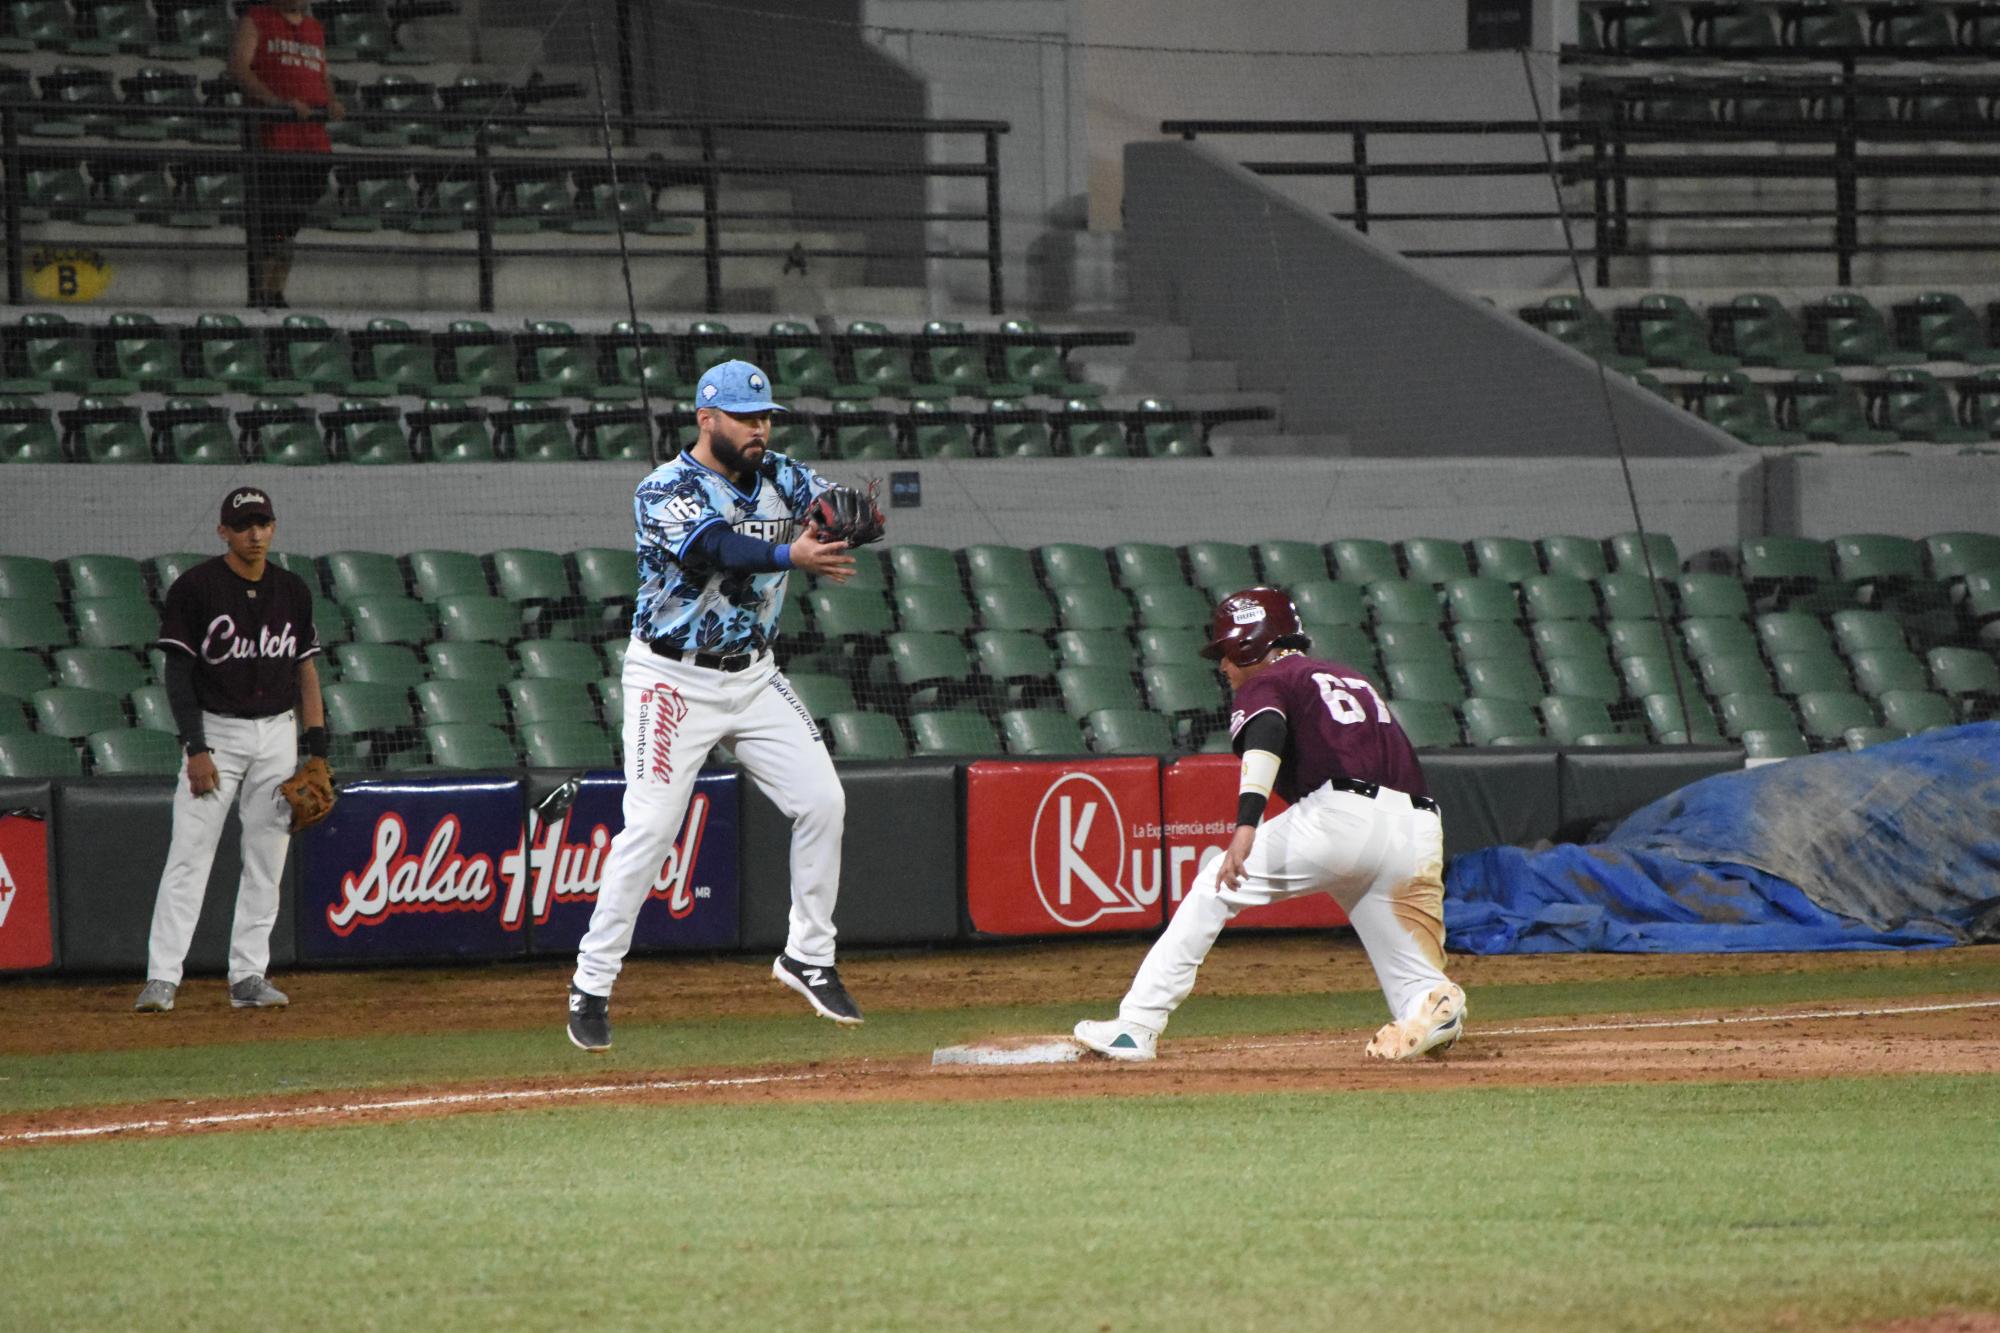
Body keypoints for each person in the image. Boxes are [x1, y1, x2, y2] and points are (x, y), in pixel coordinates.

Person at [567, 360, 871, 1052]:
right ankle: (592, 980)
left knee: (822, 802)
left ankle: (808, 958)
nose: (760, 427)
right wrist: (794, 553)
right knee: (648, 832)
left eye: (765, 415)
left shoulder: (783, 475)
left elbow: (833, 505)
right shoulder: (664, 487)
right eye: (745, 416)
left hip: (753, 676)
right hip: (672, 679)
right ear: (706, 419)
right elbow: (715, 548)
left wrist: (854, 517)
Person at [1073, 587, 1466, 1063]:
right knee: (1414, 977)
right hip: (1417, 827)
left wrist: (1246, 825)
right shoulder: (1350, 675)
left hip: (1341, 819)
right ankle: (1433, 1006)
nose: (1222, 666)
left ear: (1251, 644)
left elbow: (1266, 735)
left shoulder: (1269, 679)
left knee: (1212, 887)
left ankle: (1137, 1026)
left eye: (1225, 651)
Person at [134, 487, 325, 1013]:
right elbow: (179, 674)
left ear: (274, 527)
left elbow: (305, 670)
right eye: (244, 525)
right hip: (216, 733)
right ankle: (162, 977)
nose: (255, 533)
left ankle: (248, 975)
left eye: (263, 523)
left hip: (278, 735)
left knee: (266, 859)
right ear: (223, 531)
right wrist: (195, 747)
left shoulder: (292, 589)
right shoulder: (196, 587)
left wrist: (318, 750)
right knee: (190, 856)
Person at [229, 0, 344, 309]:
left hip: (313, 137)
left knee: (292, 217)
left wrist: (331, 101)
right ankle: (267, 293)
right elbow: (239, 67)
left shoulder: (314, 28)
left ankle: (272, 289)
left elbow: (322, 73)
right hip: (274, 136)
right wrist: (275, 102)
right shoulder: (257, 19)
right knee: (275, 217)